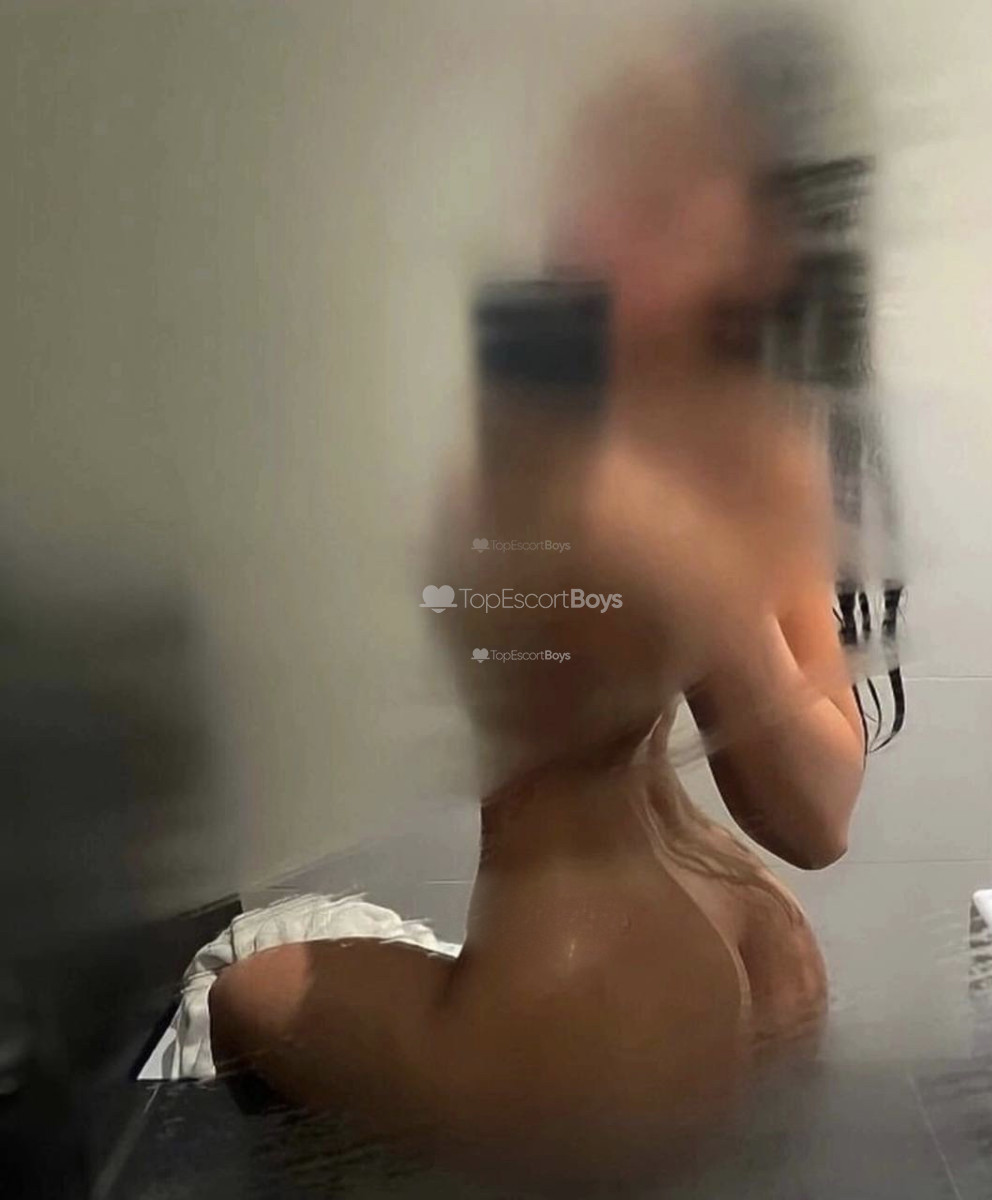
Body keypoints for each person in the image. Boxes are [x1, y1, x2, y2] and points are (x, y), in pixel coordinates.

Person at [209, 30, 865, 1192]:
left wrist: (691, 561)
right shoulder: (719, 431)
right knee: (267, 976)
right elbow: (809, 804)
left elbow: (814, 811)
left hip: (595, 997)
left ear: (758, 239)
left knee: (237, 994)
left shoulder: (627, 424)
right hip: (753, 952)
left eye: (653, 187)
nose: (583, 209)